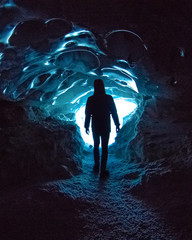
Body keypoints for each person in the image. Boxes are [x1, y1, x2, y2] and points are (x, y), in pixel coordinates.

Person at [84, 79, 120, 178]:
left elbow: (88, 114)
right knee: (104, 147)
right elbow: (114, 112)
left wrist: (86, 125)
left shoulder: (91, 99)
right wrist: (117, 124)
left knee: (96, 145)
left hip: (95, 125)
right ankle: (103, 170)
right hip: (105, 125)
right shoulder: (108, 98)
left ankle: (96, 166)